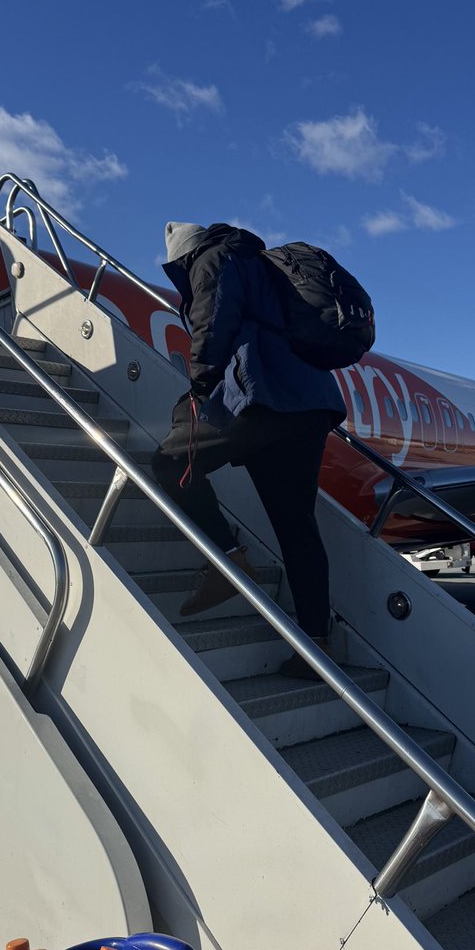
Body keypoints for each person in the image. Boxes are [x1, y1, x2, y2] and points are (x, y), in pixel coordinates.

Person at [152, 221, 346, 678]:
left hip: (264, 396)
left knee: (169, 463)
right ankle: (316, 646)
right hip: (312, 404)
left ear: (183, 256)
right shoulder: (263, 265)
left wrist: (200, 387)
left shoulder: (214, 259)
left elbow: (212, 324)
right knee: (297, 526)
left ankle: (226, 559)